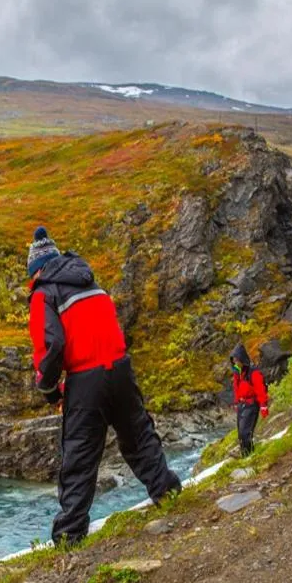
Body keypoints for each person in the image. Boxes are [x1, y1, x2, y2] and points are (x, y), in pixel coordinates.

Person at [26, 226, 182, 545]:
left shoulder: (44, 293)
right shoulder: (91, 283)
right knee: (138, 436)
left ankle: (70, 533)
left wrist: (50, 390)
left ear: (37, 270)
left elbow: (51, 346)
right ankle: (168, 492)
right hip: (120, 368)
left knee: (80, 453)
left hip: (86, 378)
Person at [229, 344, 268, 457]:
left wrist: (263, 406)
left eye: (237, 360)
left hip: (251, 405)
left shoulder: (253, 373)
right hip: (242, 405)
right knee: (241, 434)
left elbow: (260, 390)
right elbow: (236, 388)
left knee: (245, 432)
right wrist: (236, 402)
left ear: (242, 358)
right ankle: (245, 454)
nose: (235, 362)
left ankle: (249, 456)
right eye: (234, 360)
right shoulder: (237, 372)